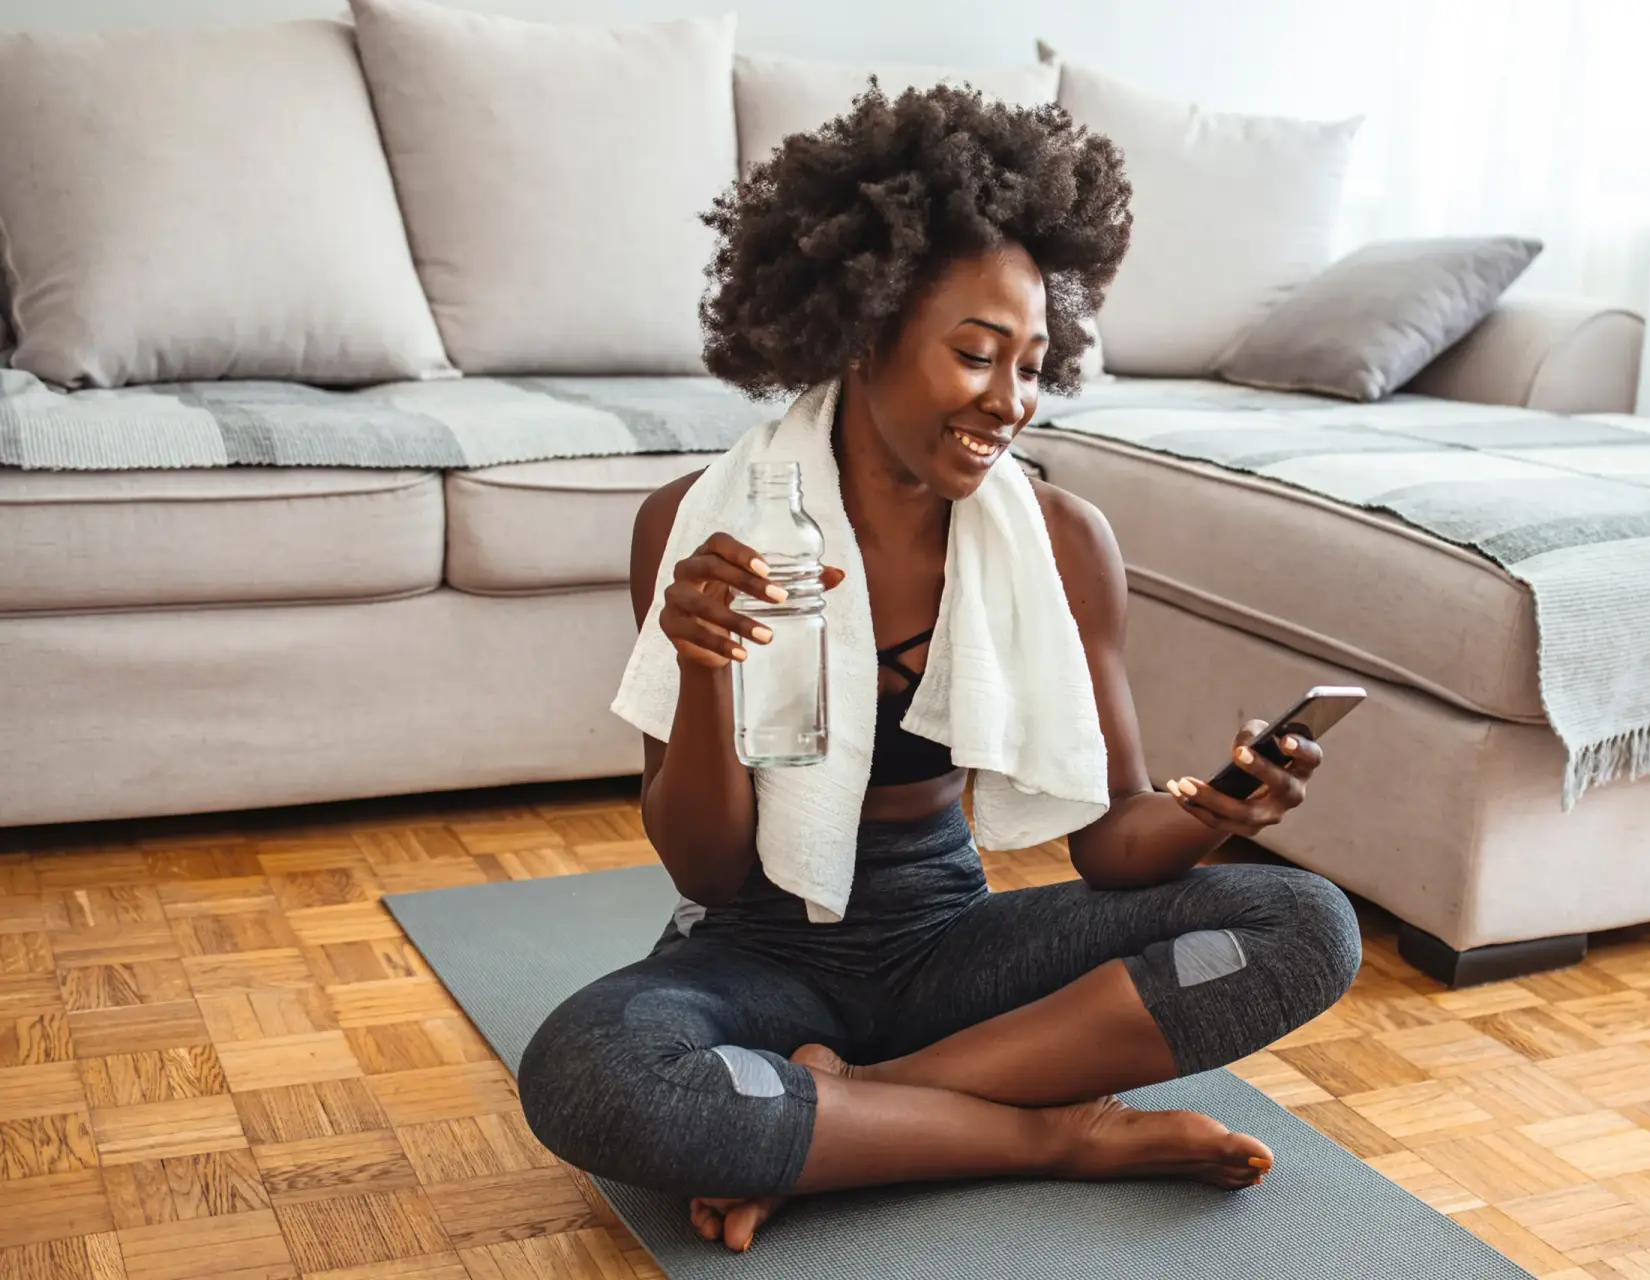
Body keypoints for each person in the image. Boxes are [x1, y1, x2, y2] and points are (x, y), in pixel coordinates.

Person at [517, 83, 1362, 1254]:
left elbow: (1115, 844)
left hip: (951, 942)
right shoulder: (692, 524)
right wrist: (702, 663)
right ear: (863, 330)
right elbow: (704, 860)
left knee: (1308, 924)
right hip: (756, 952)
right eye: (975, 354)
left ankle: (853, 1107)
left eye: (1031, 364)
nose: (1009, 402)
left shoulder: (1063, 539)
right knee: (589, 1071)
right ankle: (1048, 1135)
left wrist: (1213, 810)